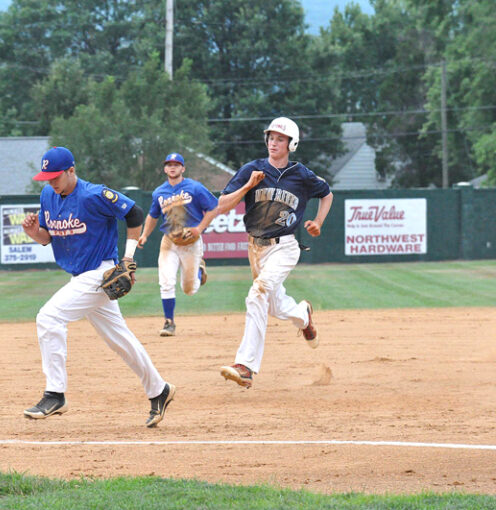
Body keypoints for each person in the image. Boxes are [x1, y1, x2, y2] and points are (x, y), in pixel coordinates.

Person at [21, 146, 175, 427]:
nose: (51, 182)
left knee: (48, 317)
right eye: (47, 177)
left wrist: (128, 258)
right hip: (80, 277)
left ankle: (55, 393)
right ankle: (159, 390)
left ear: (71, 171)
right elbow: (47, 237)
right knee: (120, 340)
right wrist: (34, 233)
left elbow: (135, 213)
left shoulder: (94, 194)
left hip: (100, 273)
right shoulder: (48, 195)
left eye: (56, 176)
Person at [217, 117, 333, 389]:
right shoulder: (252, 169)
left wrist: (318, 222)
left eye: (280, 138)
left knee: (257, 293)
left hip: (284, 247)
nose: (273, 142)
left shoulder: (301, 174)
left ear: (291, 143)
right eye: (271, 137)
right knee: (274, 304)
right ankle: (303, 316)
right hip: (255, 248)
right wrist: (248, 186)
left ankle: (245, 366)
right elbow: (222, 205)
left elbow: (327, 193)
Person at [138, 152, 220, 336]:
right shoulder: (159, 192)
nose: (172, 167)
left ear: (183, 168)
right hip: (169, 241)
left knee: (189, 289)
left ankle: (199, 270)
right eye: (169, 164)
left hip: (191, 242)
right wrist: (144, 235)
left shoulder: (194, 187)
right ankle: (169, 322)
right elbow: (153, 215)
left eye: (177, 164)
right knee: (166, 282)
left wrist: (199, 228)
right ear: (165, 168)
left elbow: (213, 207)